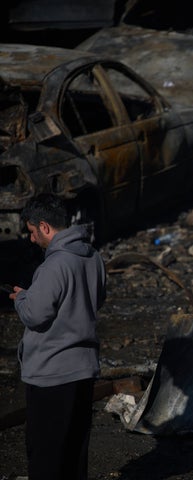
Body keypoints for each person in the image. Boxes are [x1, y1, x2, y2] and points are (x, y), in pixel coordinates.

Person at [8, 193, 106, 480]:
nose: (31, 239)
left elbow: (35, 315)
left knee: (46, 456)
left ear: (45, 227)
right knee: (75, 453)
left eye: (32, 232)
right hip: (83, 370)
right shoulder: (94, 258)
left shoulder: (54, 265)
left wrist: (21, 298)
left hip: (52, 375)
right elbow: (95, 300)